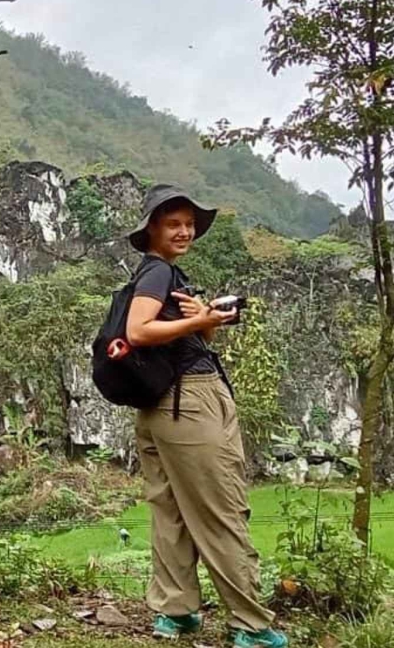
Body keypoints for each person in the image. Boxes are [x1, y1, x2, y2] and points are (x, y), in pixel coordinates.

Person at [122, 184, 288, 648]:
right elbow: (139, 330)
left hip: (159, 406)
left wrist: (204, 320)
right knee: (222, 509)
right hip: (190, 403)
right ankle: (251, 625)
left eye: (189, 224)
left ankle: (176, 612)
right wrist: (200, 322)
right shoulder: (157, 275)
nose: (184, 231)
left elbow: (178, 338)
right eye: (173, 223)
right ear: (151, 229)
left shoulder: (163, 276)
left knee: (171, 510)